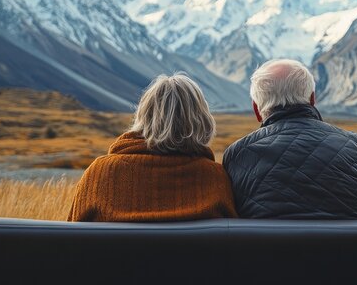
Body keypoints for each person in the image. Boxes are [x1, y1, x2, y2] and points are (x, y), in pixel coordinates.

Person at [223, 59, 357, 219]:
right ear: (312, 99)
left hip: (269, 254)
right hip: (352, 254)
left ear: (256, 109)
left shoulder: (237, 154)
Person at [68, 73, 237, 222]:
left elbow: (71, 244)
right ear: (202, 121)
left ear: (143, 116)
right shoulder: (215, 179)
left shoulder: (99, 174)